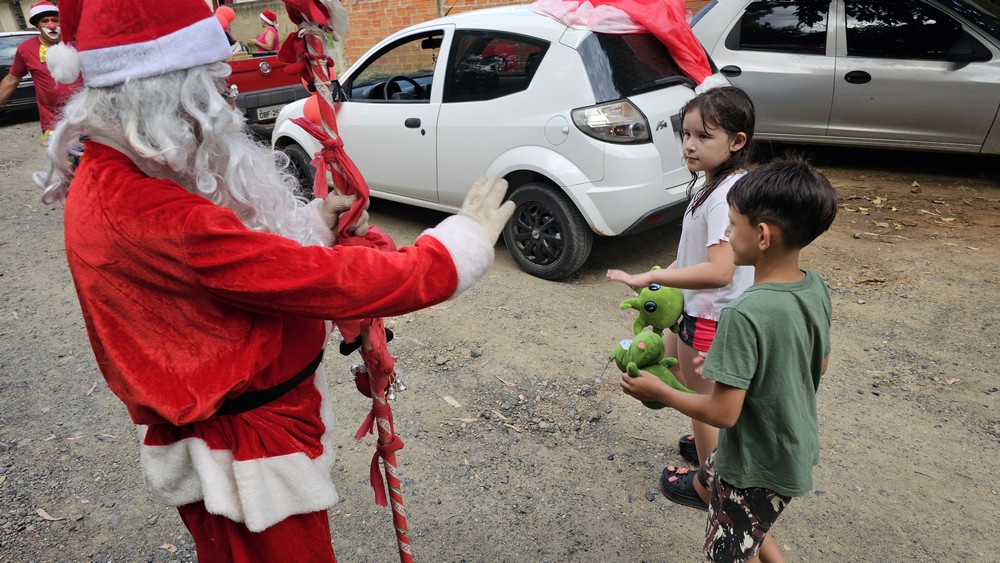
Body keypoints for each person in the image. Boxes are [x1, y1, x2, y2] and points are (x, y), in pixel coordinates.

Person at [37, 0, 514, 560]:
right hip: (245, 451)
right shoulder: (156, 213)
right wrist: (457, 250)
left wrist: (314, 223)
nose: (223, 109)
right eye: (212, 94)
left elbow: (233, 270)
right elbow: (312, 279)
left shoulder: (119, 172)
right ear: (165, 102)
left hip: (240, 433)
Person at [619, 158, 838, 562]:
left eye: (732, 225)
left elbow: (721, 413)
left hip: (753, 464)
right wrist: (734, 369)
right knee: (748, 523)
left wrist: (661, 390)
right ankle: (706, 490)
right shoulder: (813, 288)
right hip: (790, 446)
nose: (725, 233)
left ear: (762, 236)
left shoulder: (744, 312)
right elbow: (816, 364)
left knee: (730, 550)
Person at [606, 86, 756, 506]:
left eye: (704, 137)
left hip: (709, 317)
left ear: (737, 141)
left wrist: (663, 281)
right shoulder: (713, 184)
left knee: (701, 401)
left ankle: (709, 485)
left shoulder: (724, 195)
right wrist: (652, 278)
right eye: (686, 134)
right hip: (695, 311)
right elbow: (690, 257)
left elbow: (720, 270)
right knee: (674, 362)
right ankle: (708, 445)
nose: (689, 145)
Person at [0, 1, 81, 144]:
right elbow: (12, 80)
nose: (51, 25)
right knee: (63, 163)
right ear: (37, 25)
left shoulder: (77, 44)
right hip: (53, 122)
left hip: (85, 117)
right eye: (44, 21)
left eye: (55, 20)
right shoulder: (26, 49)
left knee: (91, 161)